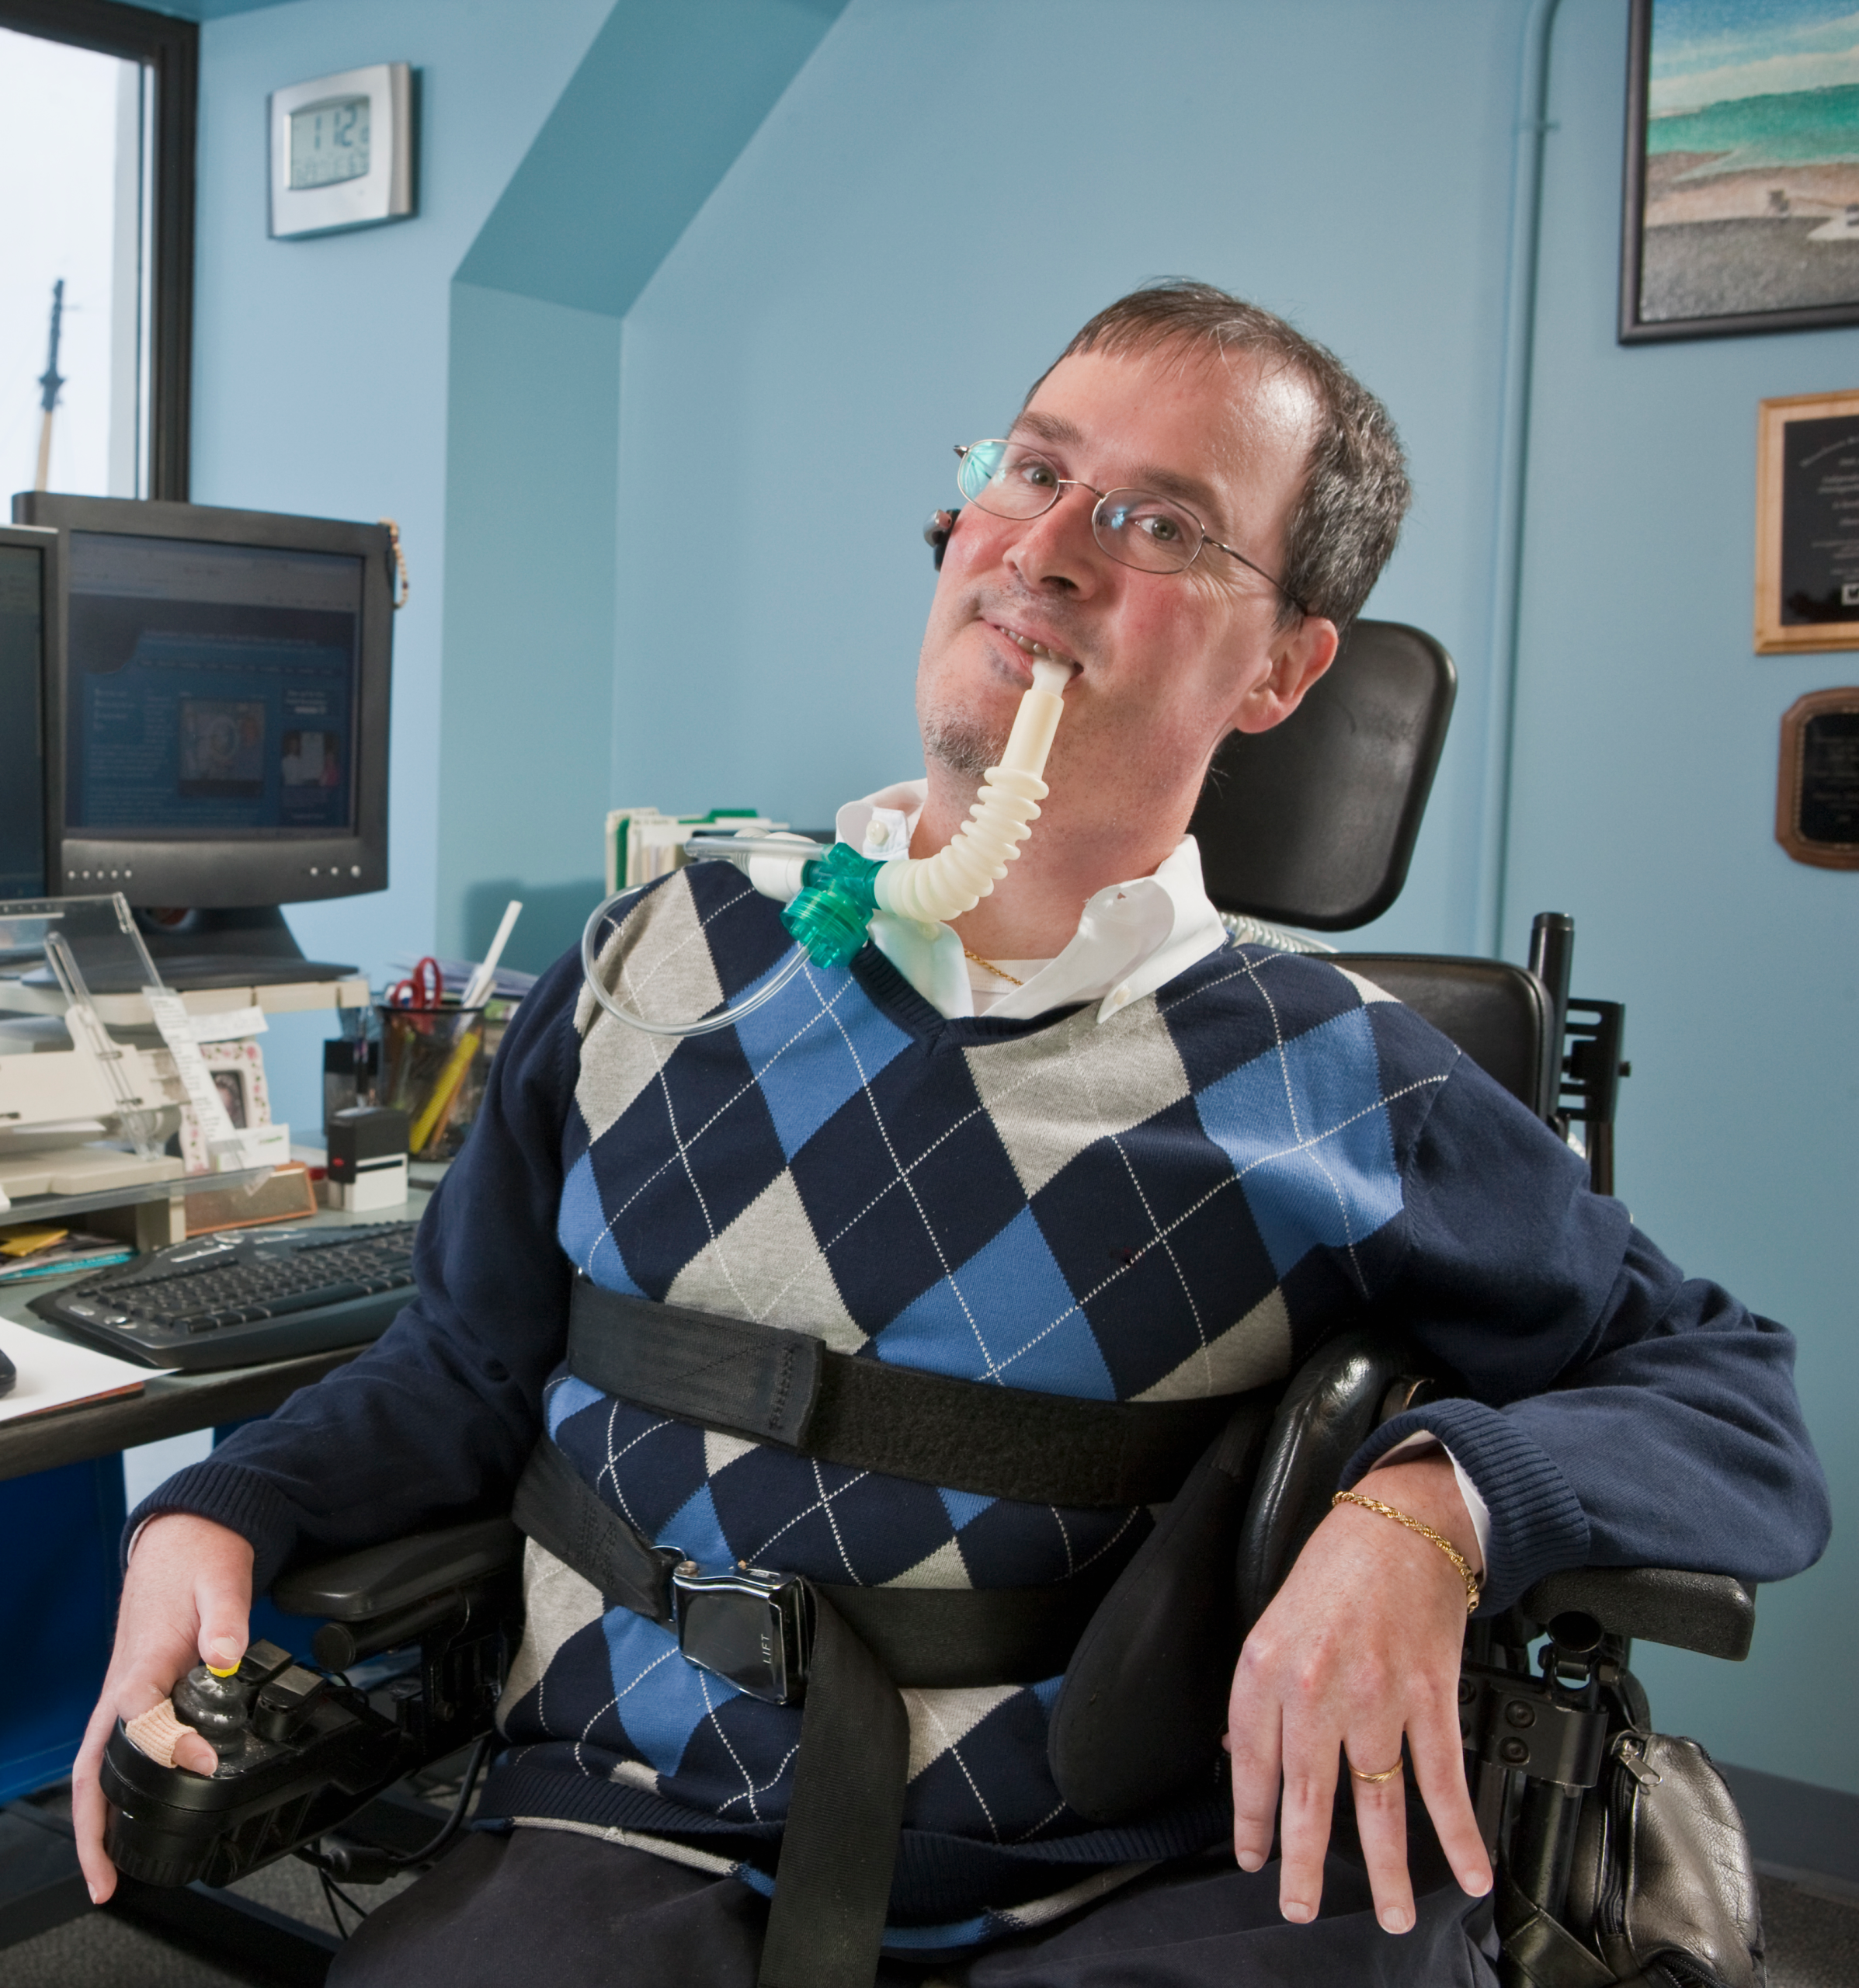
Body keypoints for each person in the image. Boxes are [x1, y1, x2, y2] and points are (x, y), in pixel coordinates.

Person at [73, 283, 1828, 1986]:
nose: (1046, 548)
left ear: (1285, 669)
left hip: (1131, 1880)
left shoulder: (1354, 1080)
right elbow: (462, 1359)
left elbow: (1737, 1399)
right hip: (625, 1831)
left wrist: (1435, 1511)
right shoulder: (655, 960)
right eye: (1033, 469)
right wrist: (221, 1506)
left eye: (1157, 521)